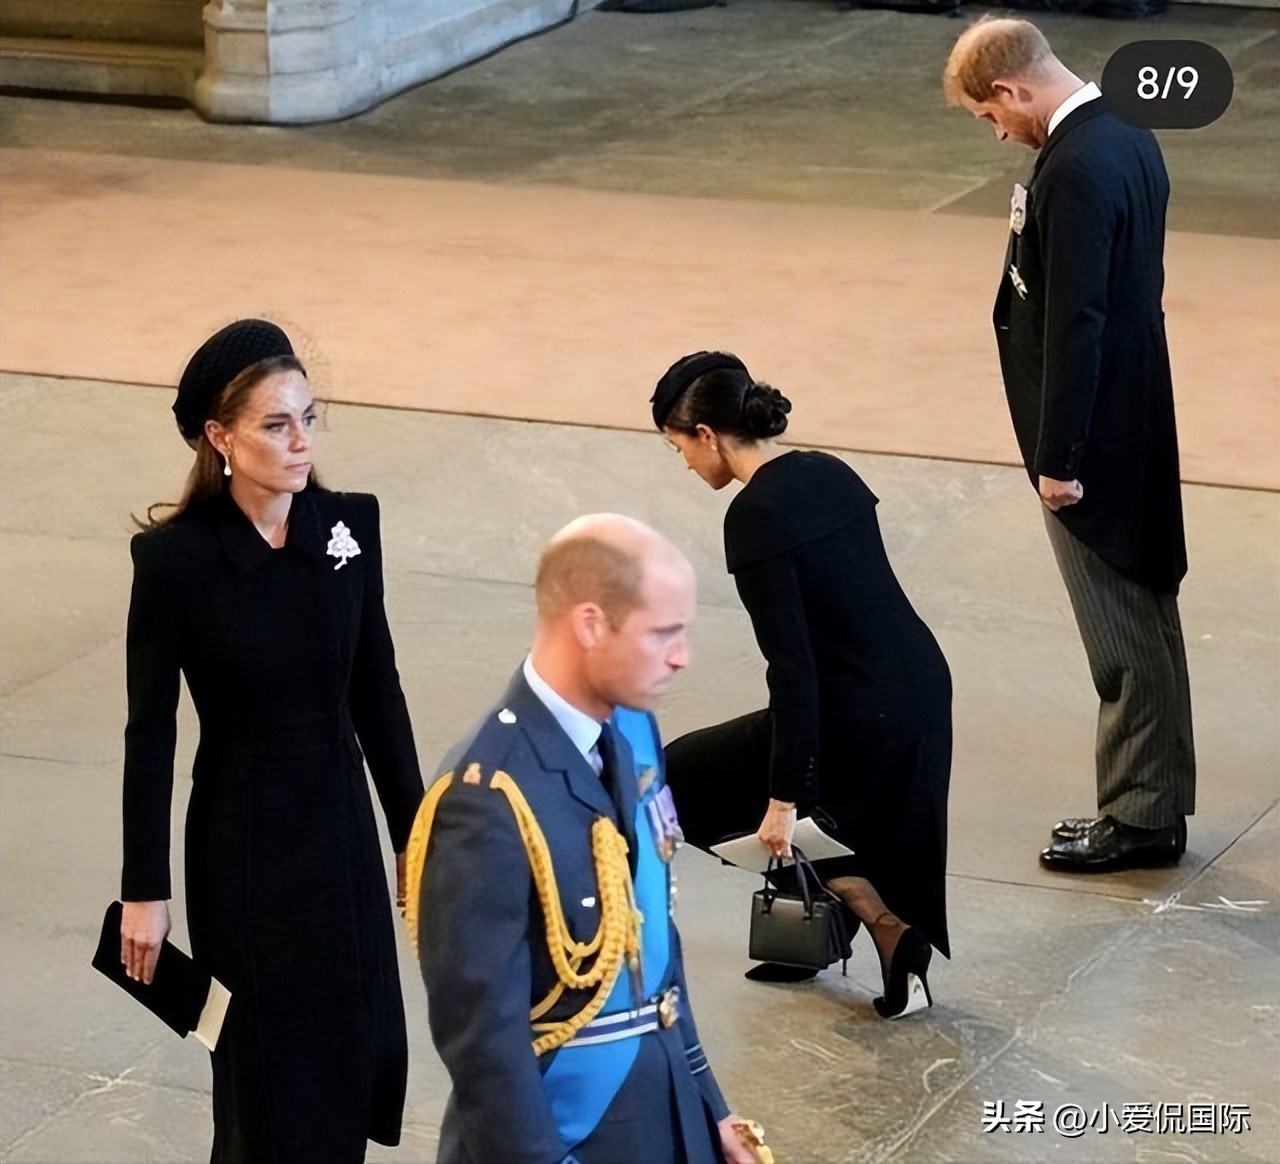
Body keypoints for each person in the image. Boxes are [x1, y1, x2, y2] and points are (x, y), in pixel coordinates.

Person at [118, 319, 424, 1162]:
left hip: (341, 831)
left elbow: (378, 691)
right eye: (276, 424)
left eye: (309, 419)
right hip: (244, 844)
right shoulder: (175, 561)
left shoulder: (348, 527)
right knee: (263, 1073)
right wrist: (145, 889)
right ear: (220, 437)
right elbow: (150, 732)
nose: (301, 442)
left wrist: (415, 833)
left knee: (351, 1050)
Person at [406, 515, 761, 1164]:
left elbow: (653, 949)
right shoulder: (485, 796)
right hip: (568, 1134)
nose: (682, 656)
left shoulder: (631, 730)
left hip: (662, 1114)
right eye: (663, 633)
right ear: (591, 624)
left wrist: (707, 1105)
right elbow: (486, 1048)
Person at [943, 17, 1195, 872]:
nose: (998, 133)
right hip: (1134, 411)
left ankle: (1139, 818)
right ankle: (1153, 802)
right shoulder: (1123, 130)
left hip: (1097, 436)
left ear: (1010, 88)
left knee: (1121, 631)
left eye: (990, 116)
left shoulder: (1076, 166)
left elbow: (1077, 321)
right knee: (1146, 613)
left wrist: (1060, 457)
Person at [651, 351, 952, 1019]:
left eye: (680, 447)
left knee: (676, 783)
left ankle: (884, 924)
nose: (686, 464)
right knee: (826, 816)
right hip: (919, 685)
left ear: (707, 434)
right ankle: (836, 924)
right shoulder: (826, 471)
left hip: (852, 706)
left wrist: (786, 798)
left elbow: (793, 669)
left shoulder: (753, 517)